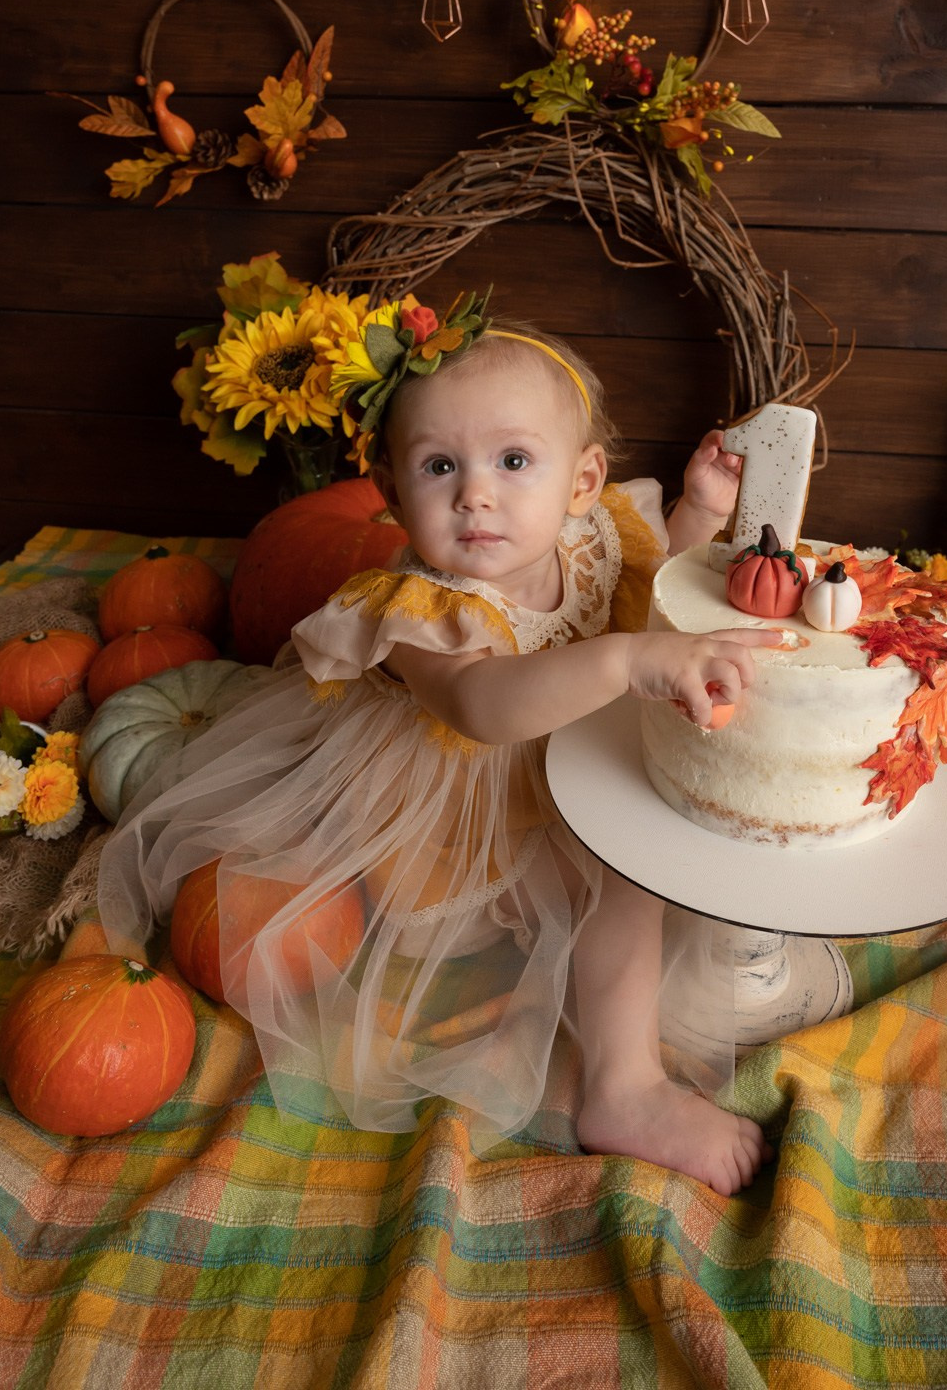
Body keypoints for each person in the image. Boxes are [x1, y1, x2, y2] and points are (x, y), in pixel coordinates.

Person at [98, 291, 782, 1195]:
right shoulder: (418, 611)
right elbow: (484, 707)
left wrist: (698, 516)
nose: (476, 495)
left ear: (581, 482)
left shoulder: (597, 533)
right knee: (627, 882)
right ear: (389, 490)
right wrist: (626, 663)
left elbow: (653, 585)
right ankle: (625, 1087)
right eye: (438, 466)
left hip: (568, 764)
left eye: (511, 461)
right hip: (460, 824)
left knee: (696, 812)